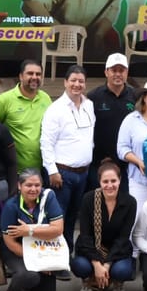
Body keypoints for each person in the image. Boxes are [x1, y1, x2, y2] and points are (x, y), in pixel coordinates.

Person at [41, 65, 95, 264]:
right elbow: (46, 143)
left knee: (73, 217)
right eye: (73, 80)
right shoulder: (55, 110)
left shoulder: (89, 105)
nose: (77, 84)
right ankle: (54, 260)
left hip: (83, 173)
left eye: (81, 81)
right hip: (62, 173)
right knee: (57, 218)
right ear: (65, 82)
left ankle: (67, 256)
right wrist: (52, 171)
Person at [0, 169, 64, 291]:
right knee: (29, 275)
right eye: (28, 185)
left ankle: (30, 287)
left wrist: (29, 230)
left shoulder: (48, 197)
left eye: (37, 185)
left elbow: (58, 229)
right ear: (19, 186)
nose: (33, 189)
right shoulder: (11, 206)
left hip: (42, 247)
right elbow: (9, 242)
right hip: (16, 250)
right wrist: (36, 261)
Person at [72, 161, 137, 291]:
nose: (109, 185)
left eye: (113, 181)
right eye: (105, 181)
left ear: (120, 180)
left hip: (117, 250)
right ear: (99, 182)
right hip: (91, 247)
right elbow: (85, 235)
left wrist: (106, 265)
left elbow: (123, 237)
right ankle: (88, 279)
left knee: (122, 271)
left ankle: (114, 280)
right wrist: (96, 264)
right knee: (80, 266)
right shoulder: (89, 199)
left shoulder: (130, 202)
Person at [88, 53, 137, 190]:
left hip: (127, 162)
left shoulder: (135, 96)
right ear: (106, 72)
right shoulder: (93, 97)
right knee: (98, 203)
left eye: (121, 70)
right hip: (99, 162)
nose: (118, 74)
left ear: (126, 73)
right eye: (113, 70)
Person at [0, 60, 51, 173]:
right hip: (14, 170)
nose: (34, 77)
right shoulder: (4, 100)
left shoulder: (46, 98)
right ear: (20, 76)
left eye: (38, 74)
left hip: (42, 169)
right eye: (30, 73)